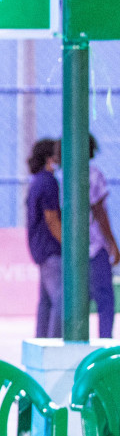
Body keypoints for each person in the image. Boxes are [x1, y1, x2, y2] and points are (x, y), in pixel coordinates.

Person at [28, 138, 63, 338]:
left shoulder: (37, 181)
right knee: (61, 299)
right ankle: (55, 343)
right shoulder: (49, 182)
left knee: (46, 300)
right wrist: (67, 244)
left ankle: (42, 340)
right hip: (51, 250)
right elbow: (51, 219)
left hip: (41, 250)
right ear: (51, 158)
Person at [90, 138, 119, 339]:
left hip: (73, 249)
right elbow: (99, 211)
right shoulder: (93, 175)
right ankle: (104, 342)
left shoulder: (62, 175)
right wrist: (112, 243)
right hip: (95, 246)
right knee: (105, 299)